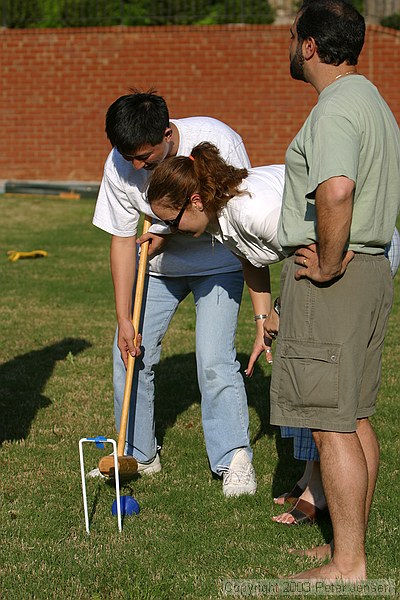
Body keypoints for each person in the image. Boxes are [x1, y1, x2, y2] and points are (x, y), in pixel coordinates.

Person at [268, 0, 400, 581]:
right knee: (354, 415)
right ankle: (348, 550)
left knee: (328, 421)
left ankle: (348, 564)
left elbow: (337, 192)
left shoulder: (335, 109)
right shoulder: (371, 99)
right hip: (371, 271)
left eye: (292, 37)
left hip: (338, 280)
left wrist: (323, 264)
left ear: (312, 46)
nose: (289, 47)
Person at [92, 90, 260, 497]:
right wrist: (123, 320)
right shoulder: (121, 163)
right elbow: (121, 240)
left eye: (145, 158)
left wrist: (166, 230)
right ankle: (137, 453)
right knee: (129, 352)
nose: (136, 167)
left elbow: (238, 211)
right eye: (128, 157)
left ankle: (233, 459)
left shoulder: (218, 140)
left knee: (214, 359)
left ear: (168, 134)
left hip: (218, 262)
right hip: (157, 270)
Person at [146, 141, 286, 374]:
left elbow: (312, 252)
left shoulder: (253, 213)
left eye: (172, 222)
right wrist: (263, 323)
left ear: (196, 202)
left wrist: (280, 310)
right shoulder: (216, 217)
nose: (171, 230)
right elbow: (250, 259)